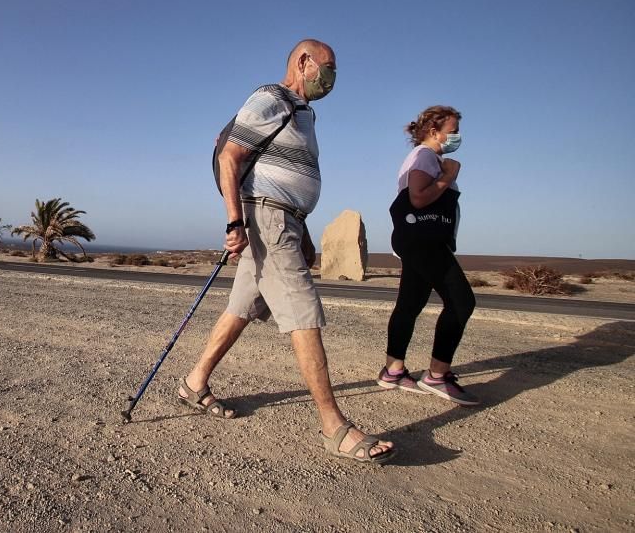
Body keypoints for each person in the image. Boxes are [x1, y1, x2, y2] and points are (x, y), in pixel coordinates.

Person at [178, 38, 396, 464]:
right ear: (304, 62)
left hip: (287, 220)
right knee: (302, 310)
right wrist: (234, 221)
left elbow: (286, 176)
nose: (332, 78)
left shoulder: (303, 114)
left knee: (241, 307)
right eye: (328, 67)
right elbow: (230, 158)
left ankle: (194, 382)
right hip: (267, 219)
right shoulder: (271, 97)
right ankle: (334, 426)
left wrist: (305, 227)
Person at [376, 106, 479, 406]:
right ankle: (437, 375)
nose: (457, 136)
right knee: (462, 302)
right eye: (453, 130)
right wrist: (448, 175)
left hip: (419, 242)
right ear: (434, 132)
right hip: (425, 243)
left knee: (409, 304)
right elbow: (418, 197)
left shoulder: (425, 157)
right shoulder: (424, 157)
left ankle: (393, 371)